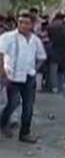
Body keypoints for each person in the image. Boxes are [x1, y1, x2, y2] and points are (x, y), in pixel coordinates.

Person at [0, 11, 47, 143]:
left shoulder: (35, 40)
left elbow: (42, 57)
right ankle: (3, 123)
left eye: (26, 23)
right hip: (12, 76)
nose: (23, 25)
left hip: (29, 77)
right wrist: (3, 71)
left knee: (28, 106)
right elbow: (1, 54)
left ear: (32, 25)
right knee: (13, 103)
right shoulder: (8, 37)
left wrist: (34, 69)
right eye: (21, 22)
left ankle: (25, 133)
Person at [47, 13, 65, 95]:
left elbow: (49, 37)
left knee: (53, 69)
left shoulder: (50, 26)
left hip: (54, 48)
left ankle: (54, 87)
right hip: (64, 49)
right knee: (64, 68)